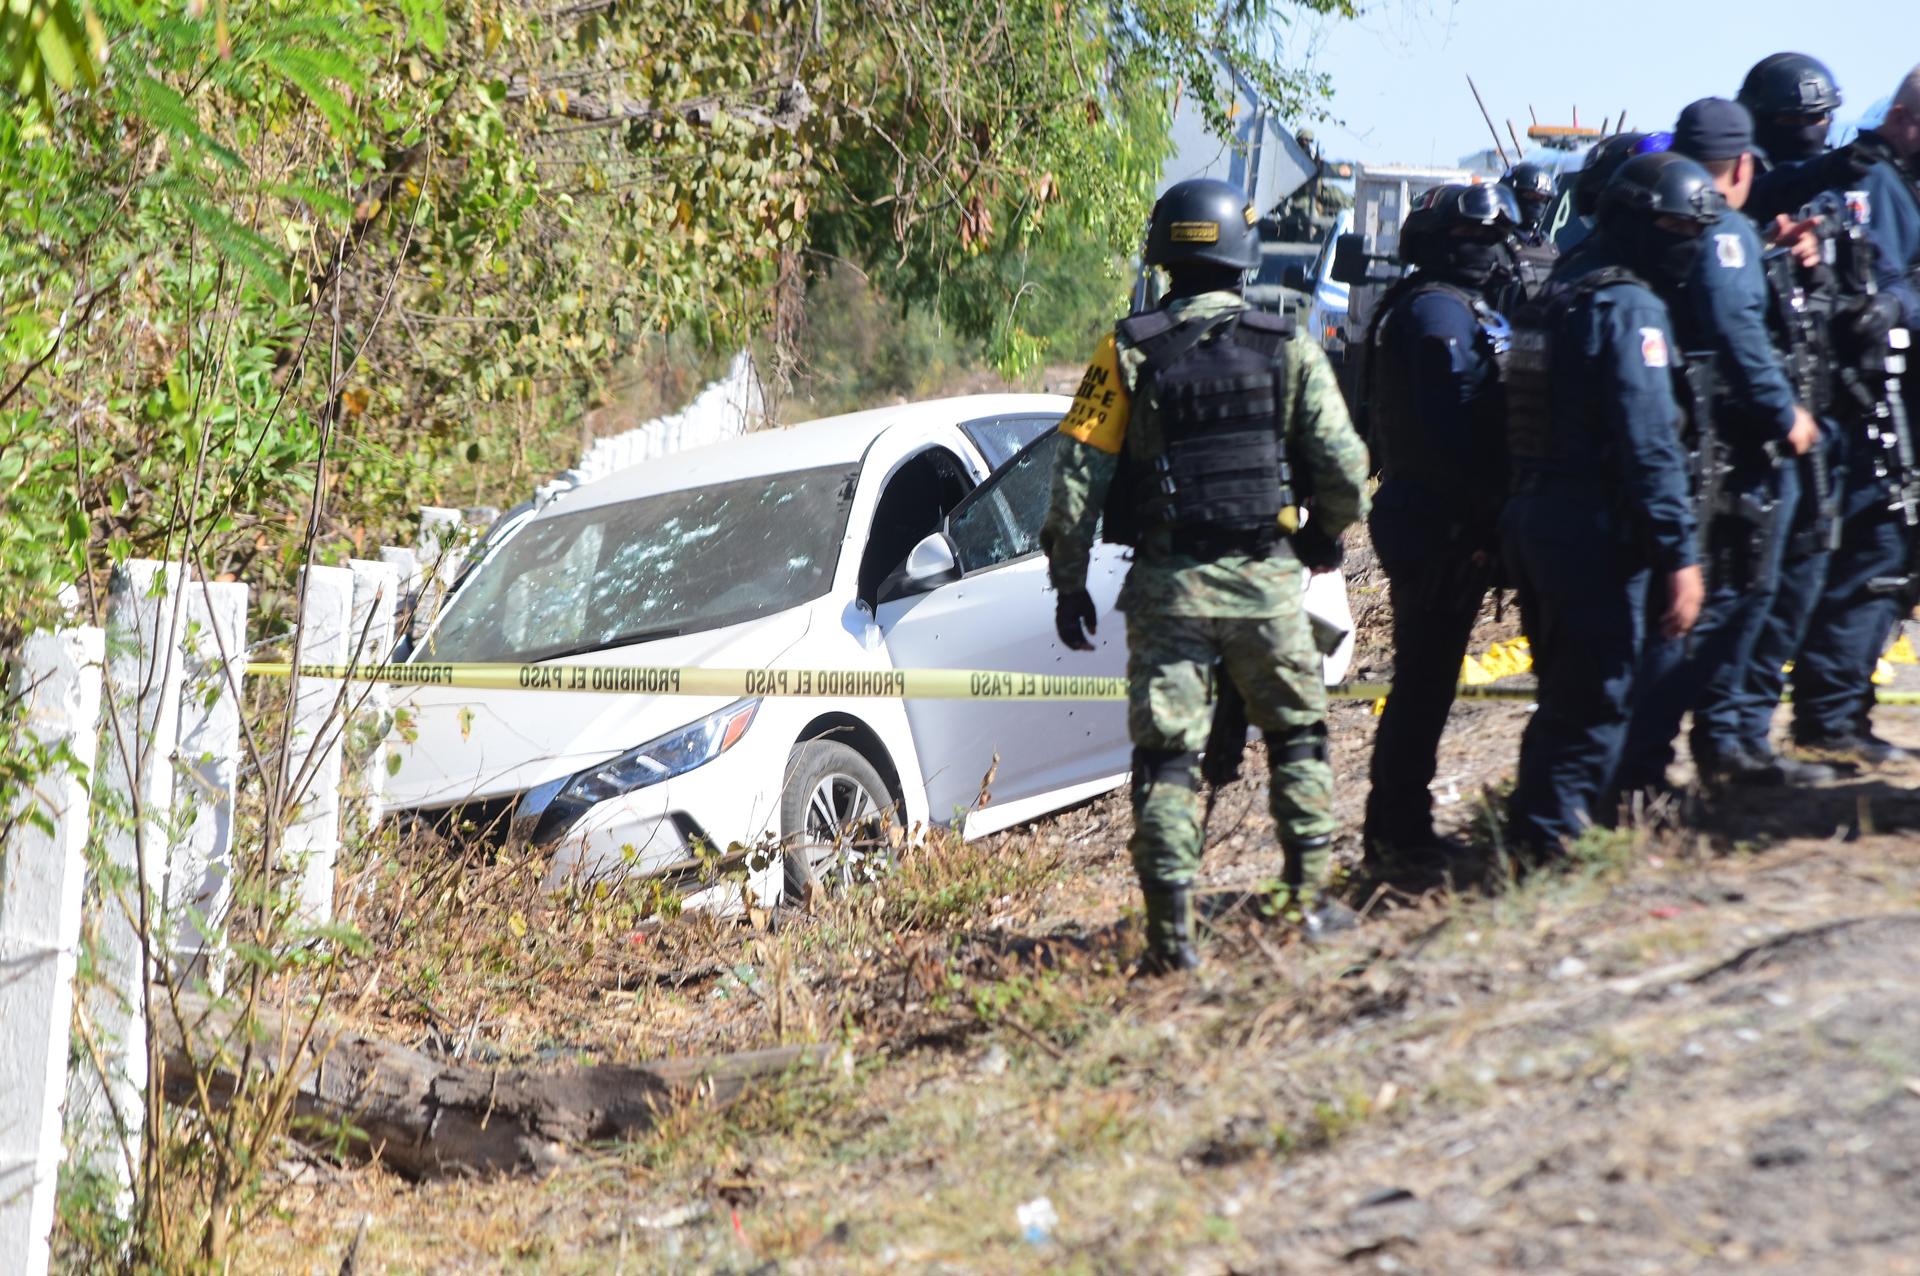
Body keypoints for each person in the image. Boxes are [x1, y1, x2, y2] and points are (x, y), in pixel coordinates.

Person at [1039, 177, 1370, 974]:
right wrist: (1322, 536)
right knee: (1297, 736)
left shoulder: (1126, 349)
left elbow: (1075, 479)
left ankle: (1172, 942)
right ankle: (1308, 901)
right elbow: (1346, 470)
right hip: (1266, 584)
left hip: (1169, 591)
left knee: (1166, 759)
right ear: (1243, 256)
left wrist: (1069, 581)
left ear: (1164, 256)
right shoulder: (1288, 345)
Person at [1501, 152, 1716, 854]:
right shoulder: (1629, 307)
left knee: (1568, 699)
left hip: (1540, 522)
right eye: (1678, 228)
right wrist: (1680, 556)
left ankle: (1537, 841)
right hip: (1592, 533)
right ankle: (1550, 854)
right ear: (1636, 223)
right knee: (1593, 705)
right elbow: (1649, 444)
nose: (1689, 243)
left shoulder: (1564, 285)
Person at [1614, 98, 1825, 796]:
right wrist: (1784, 414)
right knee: (1743, 596)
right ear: (1741, 166)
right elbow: (1736, 328)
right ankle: (1719, 743)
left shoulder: (1676, 223)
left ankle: (1692, 749)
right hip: (1734, 445)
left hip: (1690, 440)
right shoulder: (1724, 229)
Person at [1743, 58, 1920, 767]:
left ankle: (1834, 715)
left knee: (1876, 558)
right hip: (1817, 406)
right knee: (1835, 561)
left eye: (1817, 118)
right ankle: (1803, 724)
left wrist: (1894, 304)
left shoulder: (1879, 178)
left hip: (1866, 400)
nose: (1808, 131)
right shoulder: (1846, 179)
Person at [1360, 183, 1518, 875]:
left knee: (1430, 683)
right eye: (1467, 238)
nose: (1482, 250)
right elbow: (1452, 433)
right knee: (1424, 685)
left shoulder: (1458, 306)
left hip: (1451, 516)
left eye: (1490, 238)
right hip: (1437, 522)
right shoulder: (1434, 312)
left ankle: (1403, 830)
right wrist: (1479, 521)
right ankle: (1399, 837)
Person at [1500, 161, 1557, 244]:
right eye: (1530, 195)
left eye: (1542, 198)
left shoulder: (1544, 243)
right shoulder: (1491, 237)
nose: (1537, 203)